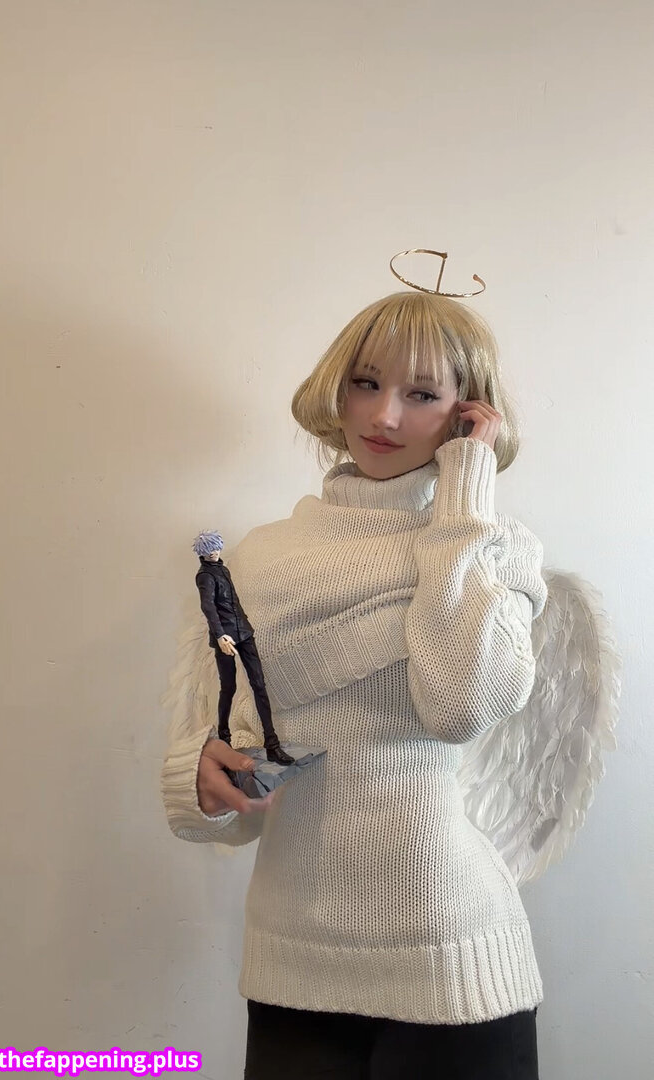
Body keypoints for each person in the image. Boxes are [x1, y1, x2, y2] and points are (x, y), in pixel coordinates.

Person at [161, 284, 547, 1079]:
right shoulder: (257, 561)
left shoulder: (495, 550)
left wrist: (461, 509)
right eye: (365, 383)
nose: (383, 416)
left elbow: (459, 706)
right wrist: (200, 778)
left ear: (468, 413)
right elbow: (230, 774)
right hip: (292, 960)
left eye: (421, 394)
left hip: (453, 952)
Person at [192, 530, 294, 766]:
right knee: (228, 687)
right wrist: (220, 636)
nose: (213, 552)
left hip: (244, 632)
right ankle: (224, 739)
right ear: (202, 553)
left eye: (215, 547)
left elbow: (233, 602)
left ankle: (272, 745)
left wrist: (244, 624)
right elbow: (208, 607)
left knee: (259, 685)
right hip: (226, 637)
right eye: (208, 549)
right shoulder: (204, 576)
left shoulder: (223, 569)